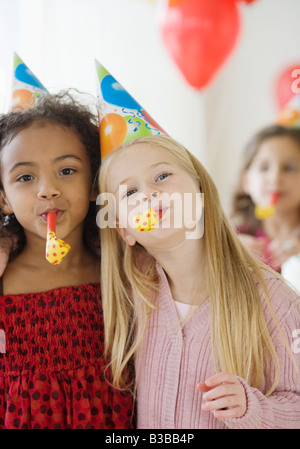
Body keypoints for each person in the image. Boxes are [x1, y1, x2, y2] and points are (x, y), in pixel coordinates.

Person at [98, 134, 300, 429]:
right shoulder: (134, 293)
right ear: (125, 232)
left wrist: (250, 407)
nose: (148, 194)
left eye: (162, 175)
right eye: (129, 193)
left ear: (200, 190)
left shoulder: (276, 301)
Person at [0, 92, 133, 429]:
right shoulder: (3, 281)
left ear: (93, 184)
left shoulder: (122, 275)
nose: (48, 189)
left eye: (67, 170)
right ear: (4, 198)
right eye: (26, 177)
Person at [231, 125, 300, 276]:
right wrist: (229, 257)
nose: (275, 178)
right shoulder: (234, 238)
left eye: (289, 168)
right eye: (264, 168)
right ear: (246, 181)